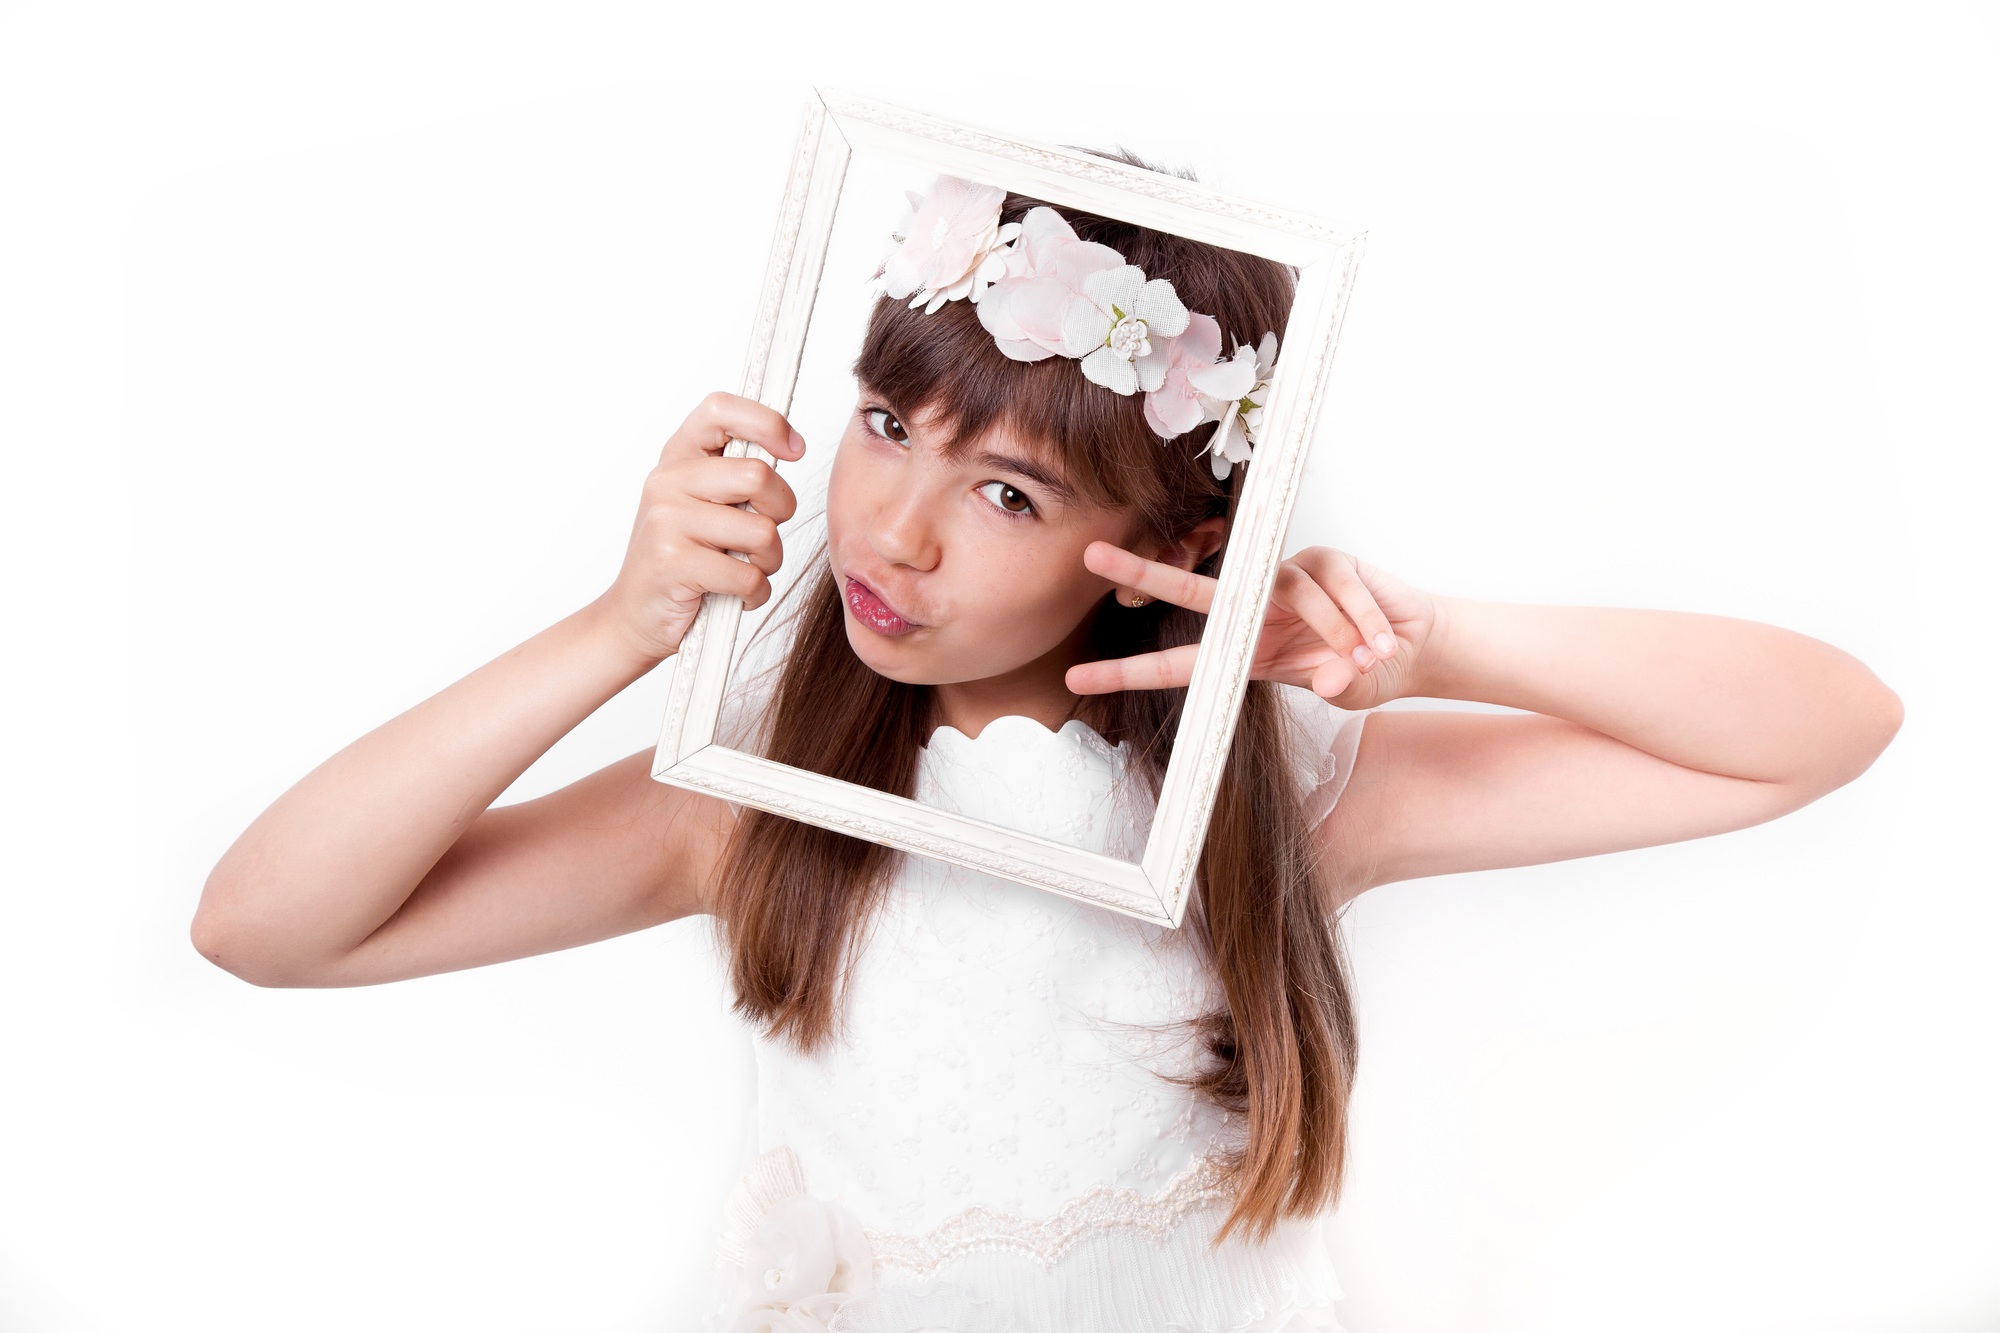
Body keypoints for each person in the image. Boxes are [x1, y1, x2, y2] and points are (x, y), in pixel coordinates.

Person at [190, 163, 1904, 1333]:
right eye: (887, 425)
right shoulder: (755, 806)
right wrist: (616, 631)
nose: (897, 528)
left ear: (1163, 538)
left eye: (1007, 491)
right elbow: (266, 923)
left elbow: (1822, 728)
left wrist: (1438, 643)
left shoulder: (1280, 802)